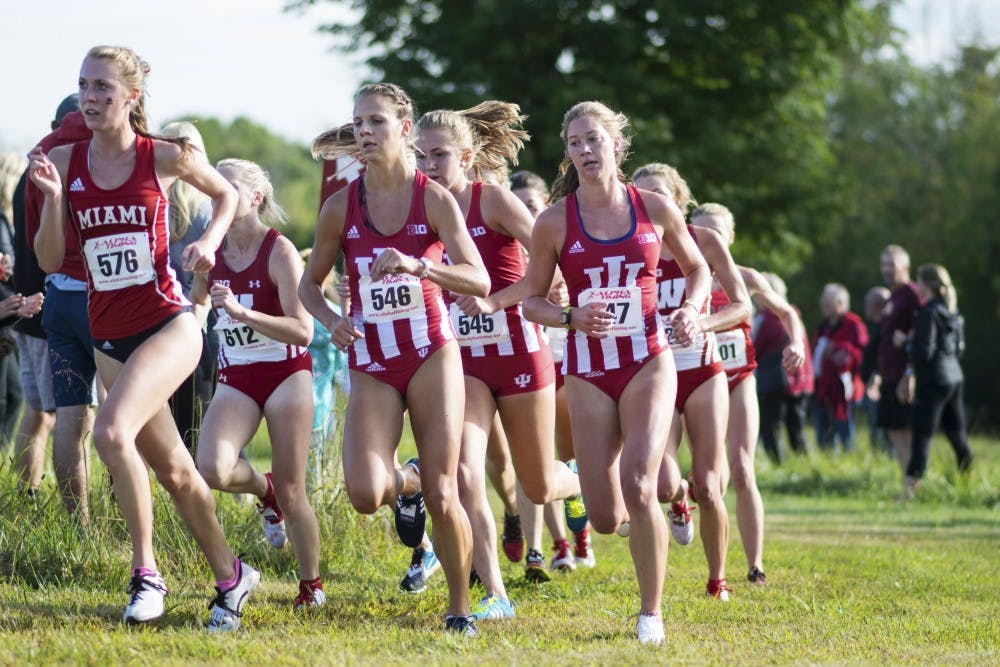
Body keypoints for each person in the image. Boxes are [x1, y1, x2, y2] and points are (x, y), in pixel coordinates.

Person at [28, 45, 258, 630]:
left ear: (132, 96)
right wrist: (55, 201)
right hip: (109, 335)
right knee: (177, 473)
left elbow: (226, 195)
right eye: (84, 85)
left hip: (169, 323)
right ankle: (233, 576)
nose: (91, 97)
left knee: (108, 430)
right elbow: (52, 258)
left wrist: (209, 245)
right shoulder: (68, 162)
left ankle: (145, 573)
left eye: (104, 86)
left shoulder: (164, 157)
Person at [300, 82, 490, 637]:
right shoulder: (342, 205)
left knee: (446, 489)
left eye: (376, 122)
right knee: (364, 492)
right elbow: (312, 285)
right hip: (374, 358)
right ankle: (405, 483)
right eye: (358, 122)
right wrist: (331, 320)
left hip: (432, 353)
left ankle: (459, 609)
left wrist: (420, 267)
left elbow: (476, 278)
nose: (364, 132)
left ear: (404, 129)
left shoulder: (433, 197)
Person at [523, 101, 709, 645]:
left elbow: (697, 268)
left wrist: (692, 310)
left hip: (648, 360)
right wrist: (570, 316)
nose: (585, 150)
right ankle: (646, 492)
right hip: (587, 370)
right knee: (605, 517)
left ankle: (650, 613)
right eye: (575, 142)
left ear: (617, 145)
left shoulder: (653, 207)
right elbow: (531, 301)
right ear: (567, 153)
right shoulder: (554, 220)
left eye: (594, 140)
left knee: (639, 482)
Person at [412, 103, 588, 619]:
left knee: (536, 484)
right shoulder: (419, 207)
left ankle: (580, 476)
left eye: (440, 155)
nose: (429, 165)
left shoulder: (492, 201)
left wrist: (495, 300)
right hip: (460, 362)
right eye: (420, 156)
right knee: (465, 475)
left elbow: (551, 267)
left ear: (466, 157)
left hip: (518, 353)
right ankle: (496, 594)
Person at [194, 158, 324, 609]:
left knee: (293, 488)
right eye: (213, 187)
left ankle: (312, 583)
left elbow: (302, 330)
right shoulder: (209, 248)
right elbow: (193, 304)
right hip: (237, 374)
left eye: (228, 187)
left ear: (255, 197)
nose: (219, 196)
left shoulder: (279, 250)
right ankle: (261, 490)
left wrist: (245, 314)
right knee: (211, 468)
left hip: (286, 371)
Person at [629, 176, 751, 599]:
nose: (649, 204)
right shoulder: (626, 241)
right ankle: (679, 501)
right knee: (662, 484)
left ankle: (717, 579)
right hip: (651, 375)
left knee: (709, 482)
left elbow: (742, 304)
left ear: (679, 201)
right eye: (642, 197)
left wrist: (700, 320)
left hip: (702, 371)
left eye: (658, 196)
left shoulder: (705, 240)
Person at [510, 169, 592, 575]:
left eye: (530, 205)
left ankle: (577, 527)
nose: (523, 212)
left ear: (544, 206)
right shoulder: (502, 244)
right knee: (524, 460)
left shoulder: (561, 236)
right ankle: (544, 549)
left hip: (568, 359)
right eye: (517, 205)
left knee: (564, 455)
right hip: (520, 359)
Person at [22, 95, 96, 525]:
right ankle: (127, 523)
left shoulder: (44, 152)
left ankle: (79, 526)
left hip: (60, 298)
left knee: (69, 416)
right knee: (125, 416)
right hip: (105, 297)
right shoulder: (114, 143)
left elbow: (37, 239)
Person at [160, 120, 216, 455]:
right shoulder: (212, 209)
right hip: (201, 323)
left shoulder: (150, 203)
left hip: (155, 323)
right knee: (200, 421)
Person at [902, 264, 973, 498]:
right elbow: (959, 349)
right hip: (954, 378)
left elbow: (925, 352)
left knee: (921, 436)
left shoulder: (927, 313)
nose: (916, 285)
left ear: (927, 285)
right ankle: (967, 482)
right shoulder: (952, 311)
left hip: (933, 380)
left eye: (918, 281)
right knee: (956, 433)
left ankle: (910, 491)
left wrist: (904, 343)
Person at [870, 245, 921, 470]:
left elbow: (917, 334)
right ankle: (906, 481)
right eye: (884, 265)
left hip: (903, 376)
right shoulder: (893, 296)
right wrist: (878, 374)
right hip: (888, 374)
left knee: (906, 429)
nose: (886, 270)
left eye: (891, 265)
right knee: (893, 429)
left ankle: (913, 483)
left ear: (906, 267)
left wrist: (910, 372)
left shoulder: (912, 295)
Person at [754, 272, 813, 462]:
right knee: (797, 427)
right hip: (799, 381)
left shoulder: (766, 320)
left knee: (772, 426)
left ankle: (778, 464)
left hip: (775, 382)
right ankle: (804, 463)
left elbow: (753, 349)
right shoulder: (795, 316)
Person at [812, 283, 868, 451]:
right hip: (823, 385)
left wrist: (841, 349)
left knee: (844, 425)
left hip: (845, 387)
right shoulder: (823, 327)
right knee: (824, 427)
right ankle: (828, 460)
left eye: (829, 304)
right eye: (824, 303)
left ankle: (850, 458)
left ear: (842, 303)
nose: (825, 307)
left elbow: (862, 352)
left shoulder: (853, 324)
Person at [860, 287, 891, 455]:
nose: (866, 307)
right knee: (875, 425)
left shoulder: (885, 326)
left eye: (868, 303)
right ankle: (879, 458)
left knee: (882, 425)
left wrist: (876, 375)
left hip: (878, 384)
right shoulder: (878, 326)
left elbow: (882, 354)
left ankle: (885, 458)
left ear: (877, 305)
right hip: (873, 383)